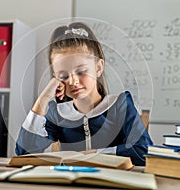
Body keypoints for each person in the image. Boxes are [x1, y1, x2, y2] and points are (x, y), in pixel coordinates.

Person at [15, 22, 153, 166]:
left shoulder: (120, 105)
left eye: (81, 72)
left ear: (98, 68)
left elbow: (143, 151)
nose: (73, 81)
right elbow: (24, 153)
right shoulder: (57, 113)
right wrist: (43, 99)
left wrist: (93, 155)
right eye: (63, 76)